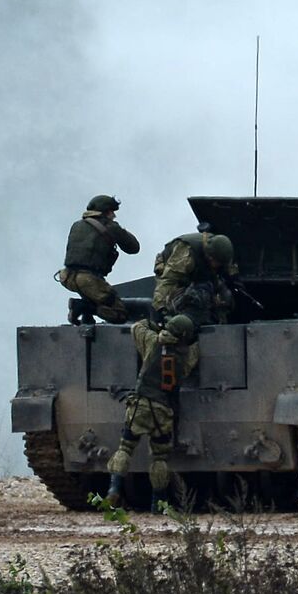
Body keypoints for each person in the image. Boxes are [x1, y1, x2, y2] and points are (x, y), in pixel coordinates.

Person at [105, 290, 205, 512]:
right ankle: (157, 503)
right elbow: (195, 352)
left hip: (139, 404)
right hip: (162, 411)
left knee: (125, 447)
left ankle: (113, 489)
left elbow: (137, 327)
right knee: (159, 457)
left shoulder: (152, 342)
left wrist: (155, 325)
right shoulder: (185, 356)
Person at [57, 195, 140, 324]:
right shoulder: (110, 226)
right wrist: (118, 230)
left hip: (67, 276)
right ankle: (81, 307)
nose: (114, 215)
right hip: (89, 280)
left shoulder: (77, 225)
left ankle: (84, 312)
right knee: (119, 314)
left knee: (92, 298)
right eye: (112, 212)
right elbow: (134, 247)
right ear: (106, 211)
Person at [151, 228, 237, 326]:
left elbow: (230, 269)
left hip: (198, 273)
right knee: (194, 297)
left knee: (220, 295)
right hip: (174, 273)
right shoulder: (186, 253)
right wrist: (160, 308)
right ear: (210, 257)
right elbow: (168, 281)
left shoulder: (221, 250)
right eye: (217, 263)